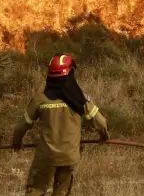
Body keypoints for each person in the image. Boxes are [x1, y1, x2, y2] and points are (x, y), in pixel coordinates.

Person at [11, 54, 109, 196]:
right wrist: (104, 136)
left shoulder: (40, 100)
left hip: (46, 157)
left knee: (36, 191)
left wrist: (16, 142)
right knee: (61, 193)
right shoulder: (81, 99)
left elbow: (22, 126)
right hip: (69, 157)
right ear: (70, 75)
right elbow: (101, 122)